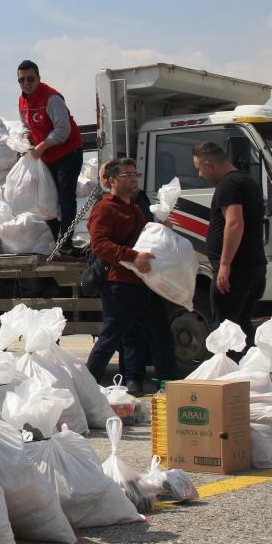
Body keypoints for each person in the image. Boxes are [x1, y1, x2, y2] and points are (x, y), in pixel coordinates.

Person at [86, 158, 178, 395]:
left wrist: (162, 229)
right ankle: (85, 389)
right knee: (110, 340)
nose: (134, 179)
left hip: (145, 283)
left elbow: (146, 239)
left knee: (162, 339)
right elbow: (99, 245)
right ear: (113, 181)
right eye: (127, 175)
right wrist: (133, 257)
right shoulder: (104, 208)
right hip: (120, 285)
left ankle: (169, 389)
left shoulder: (136, 208)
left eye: (135, 174)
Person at [193, 141, 267, 343]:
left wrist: (225, 265)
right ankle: (246, 371)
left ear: (209, 165)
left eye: (199, 169)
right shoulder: (248, 182)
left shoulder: (229, 185)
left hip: (236, 271)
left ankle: (228, 373)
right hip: (253, 267)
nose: (200, 175)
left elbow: (234, 223)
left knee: (225, 332)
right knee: (242, 328)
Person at [17, 59, 84, 255]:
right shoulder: (22, 100)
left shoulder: (51, 98)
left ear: (38, 78)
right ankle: (58, 240)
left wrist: (41, 146)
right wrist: (25, 137)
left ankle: (65, 244)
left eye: (30, 79)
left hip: (67, 153)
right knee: (46, 200)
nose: (26, 83)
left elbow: (63, 130)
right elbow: (25, 125)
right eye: (22, 80)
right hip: (46, 156)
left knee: (65, 197)